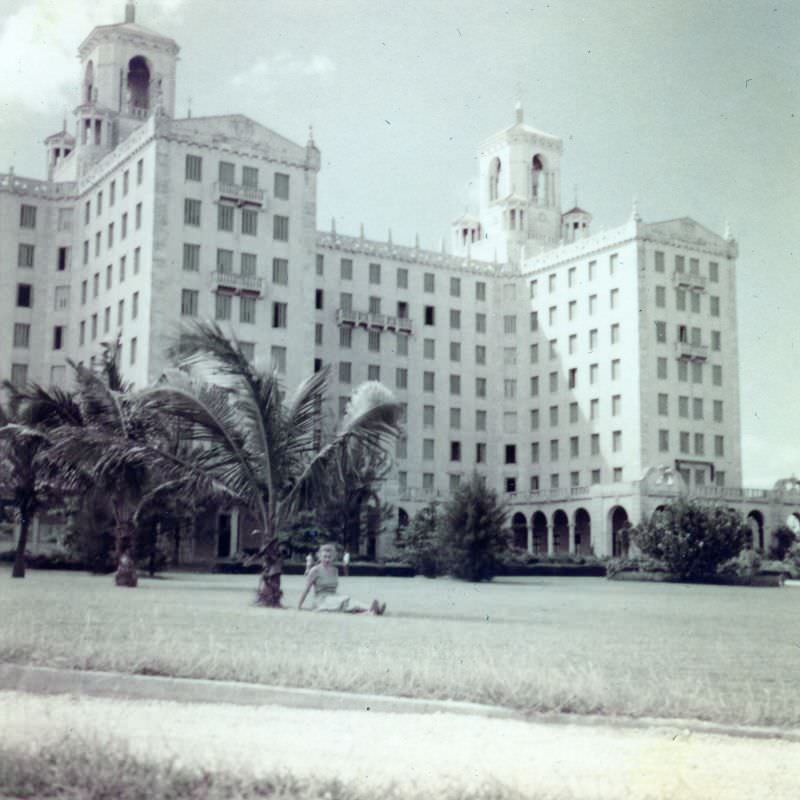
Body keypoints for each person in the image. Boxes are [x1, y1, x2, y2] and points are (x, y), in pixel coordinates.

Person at [298, 543, 385, 614]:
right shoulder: (315, 570)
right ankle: (371, 609)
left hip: (334, 596)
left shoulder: (335, 570)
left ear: (333, 557)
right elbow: (306, 589)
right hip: (321, 600)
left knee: (349, 600)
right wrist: (299, 606)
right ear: (320, 556)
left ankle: (370, 610)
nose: (327, 559)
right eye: (325, 556)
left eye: (329, 557)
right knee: (345, 600)